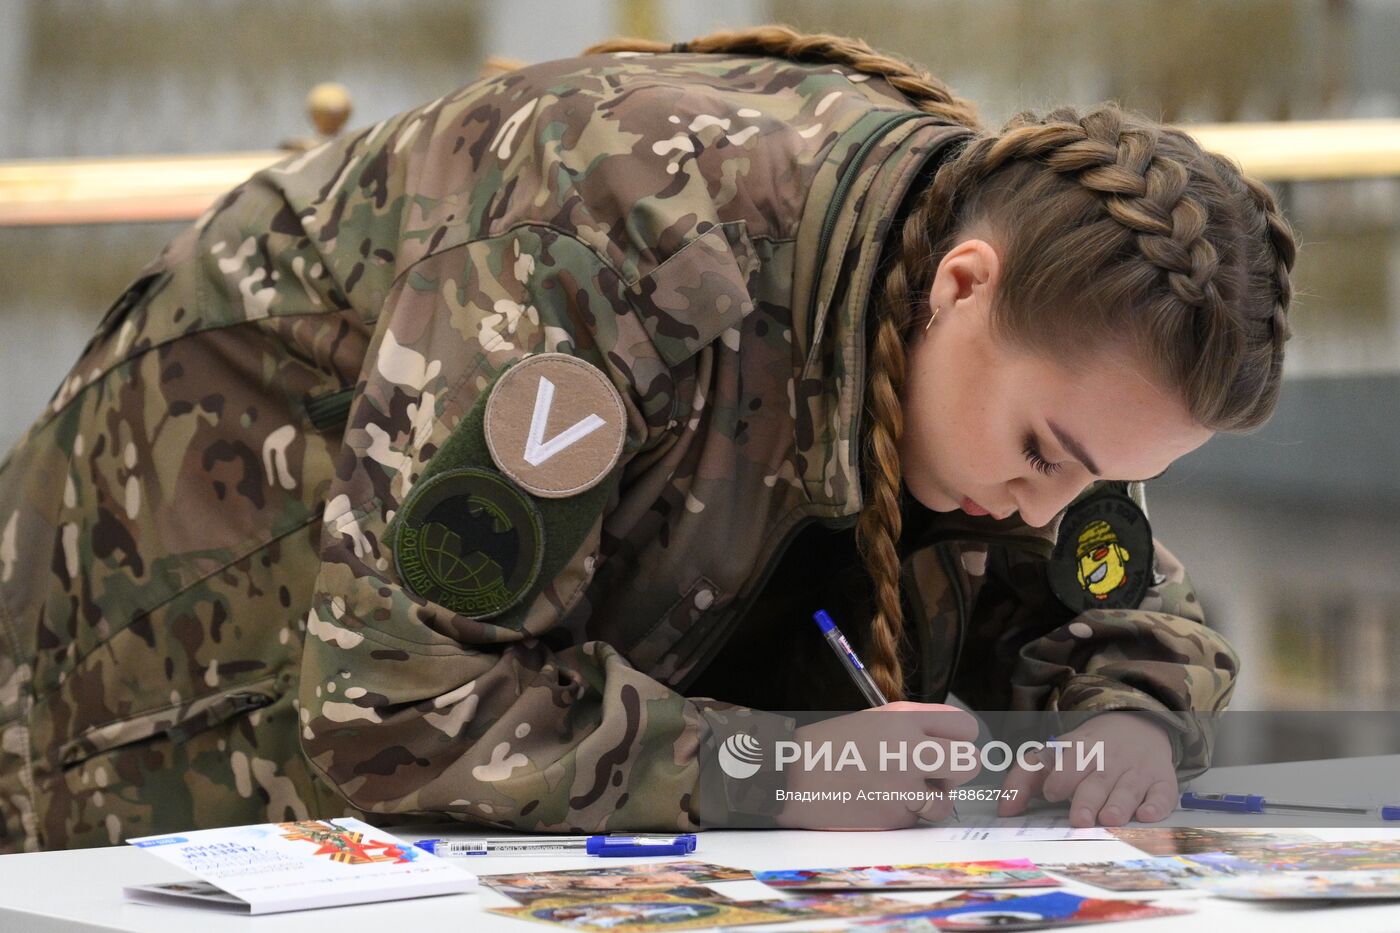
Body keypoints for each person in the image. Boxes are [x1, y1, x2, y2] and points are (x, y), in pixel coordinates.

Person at [0, 25, 1295, 853]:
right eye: (1047, 452)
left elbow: (1122, 603)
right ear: (962, 284)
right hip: (159, 703)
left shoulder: (993, 338)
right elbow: (397, 695)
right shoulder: (619, 235)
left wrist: (1129, 717)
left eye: (1108, 476)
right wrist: (775, 766)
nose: (1043, 507)